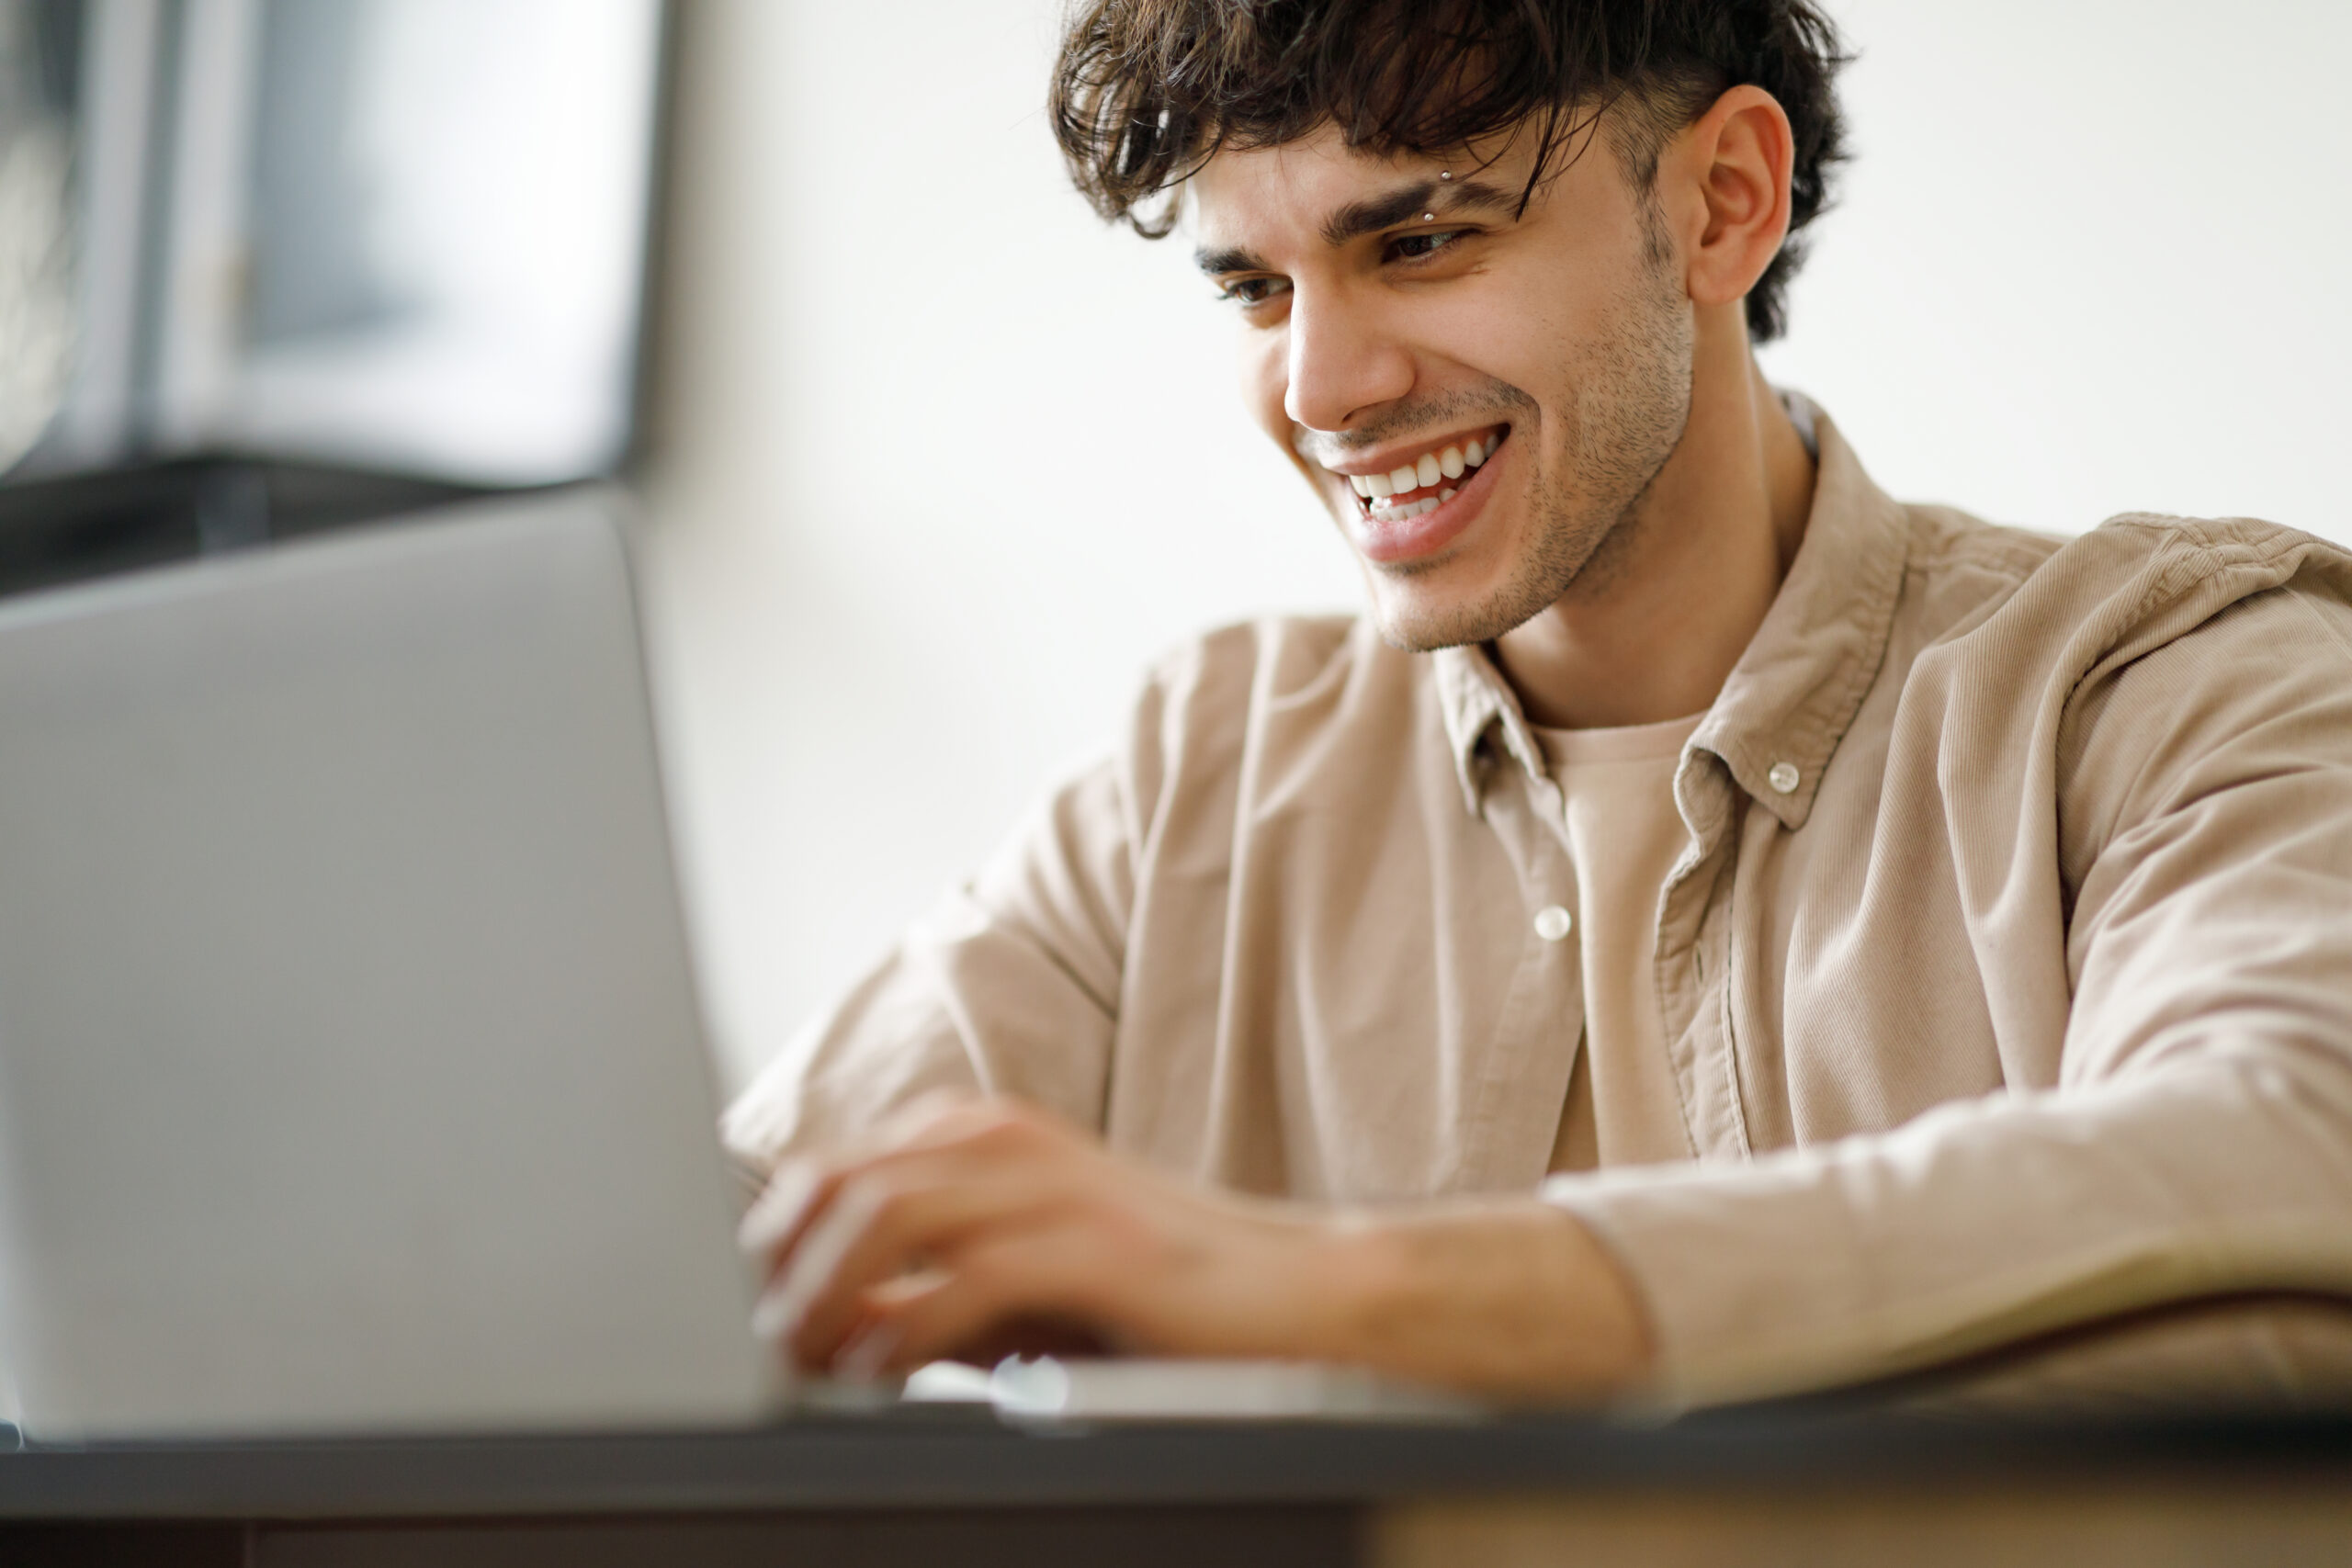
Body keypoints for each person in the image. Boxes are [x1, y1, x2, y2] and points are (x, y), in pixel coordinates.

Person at [723, 0, 2352, 1408]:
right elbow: (714, 1253)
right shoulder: (1194, 781)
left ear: (1726, 201)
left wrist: (1321, 1294)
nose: (1322, 392)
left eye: (1419, 242)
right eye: (1257, 292)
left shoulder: (2174, 683)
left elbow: (2288, 1170)